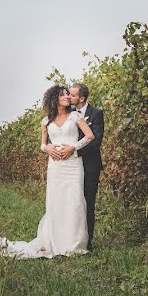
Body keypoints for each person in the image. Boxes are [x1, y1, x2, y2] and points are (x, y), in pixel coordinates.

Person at [0, 85, 94, 258]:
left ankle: (75, 244)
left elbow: (90, 136)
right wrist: (48, 149)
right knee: (57, 201)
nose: (67, 96)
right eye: (63, 94)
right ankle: (56, 240)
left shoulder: (75, 116)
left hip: (73, 164)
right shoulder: (46, 121)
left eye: (68, 94)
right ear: (55, 99)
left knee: (75, 201)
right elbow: (43, 144)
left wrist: (72, 148)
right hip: (55, 166)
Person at [51, 83, 104, 250]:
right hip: (70, 166)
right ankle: (68, 237)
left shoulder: (96, 114)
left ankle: (86, 243)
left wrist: (72, 151)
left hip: (89, 166)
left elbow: (95, 141)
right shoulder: (69, 114)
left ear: (81, 98)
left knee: (87, 203)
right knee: (72, 202)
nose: (68, 97)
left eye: (72, 95)